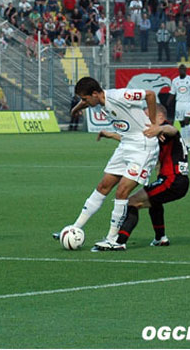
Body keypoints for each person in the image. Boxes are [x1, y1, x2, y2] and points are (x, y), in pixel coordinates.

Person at [54, 77, 159, 251]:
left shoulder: (119, 96)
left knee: (122, 190)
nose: (84, 102)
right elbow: (85, 103)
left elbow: (150, 94)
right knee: (103, 186)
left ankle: (113, 239)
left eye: (85, 99)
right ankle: (76, 227)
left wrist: (155, 124)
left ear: (95, 94)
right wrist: (77, 108)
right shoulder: (97, 101)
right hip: (125, 144)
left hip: (143, 145)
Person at [98, 104, 189, 249]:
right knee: (154, 201)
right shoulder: (158, 133)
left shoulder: (165, 129)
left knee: (131, 201)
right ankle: (160, 238)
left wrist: (160, 128)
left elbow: (173, 130)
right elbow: (136, 140)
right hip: (177, 181)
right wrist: (110, 135)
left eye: (148, 117)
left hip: (172, 181)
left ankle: (119, 242)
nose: (145, 121)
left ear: (160, 117)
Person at [166, 64, 190, 152]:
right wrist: (167, 103)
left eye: (183, 69)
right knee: (182, 124)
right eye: (180, 69)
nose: (182, 71)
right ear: (178, 70)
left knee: (187, 122)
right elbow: (172, 93)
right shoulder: (175, 81)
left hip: (188, 103)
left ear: (186, 70)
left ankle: (188, 144)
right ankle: (183, 143)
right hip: (179, 104)